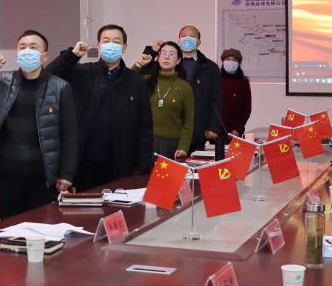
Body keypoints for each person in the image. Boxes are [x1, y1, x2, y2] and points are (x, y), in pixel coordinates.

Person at [0, 30, 77, 219]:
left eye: (33, 47)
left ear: (44, 56)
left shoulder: (59, 87)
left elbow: (69, 134)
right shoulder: (1, 82)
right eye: (22, 47)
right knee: (9, 226)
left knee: (41, 226)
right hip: (8, 174)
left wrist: (66, 173)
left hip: (43, 176)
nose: (27, 51)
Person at [45, 24, 153, 191]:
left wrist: (142, 166)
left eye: (116, 41)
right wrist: (72, 55)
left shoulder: (136, 81)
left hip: (121, 163)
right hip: (84, 161)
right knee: (85, 205)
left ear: (124, 47)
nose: (111, 45)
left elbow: (145, 126)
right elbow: (48, 77)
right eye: (106, 41)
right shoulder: (82, 72)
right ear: (99, 45)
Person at [140, 25, 222, 152]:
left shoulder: (210, 67)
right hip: (168, 131)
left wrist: (213, 127)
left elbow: (217, 99)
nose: (187, 39)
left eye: (191, 36)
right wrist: (152, 50)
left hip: (197, 129)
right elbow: (141, 72)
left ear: (199, 42)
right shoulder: (167, 62)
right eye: (184, 36)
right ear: (178, 40)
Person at [136, 41, 194, 161]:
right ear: (158, 58)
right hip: (145, 141)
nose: (166, 57)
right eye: (163, 53)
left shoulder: (184, 87)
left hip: (171, 145)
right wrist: (140, 64)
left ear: (178, 60)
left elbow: (188, 122)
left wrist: (183, 147)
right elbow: (126, 81)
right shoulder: (146, 80)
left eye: (171, 54)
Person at [219, 48, 252, 138]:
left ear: (239, 63)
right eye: (228, 59)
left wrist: (238, 129)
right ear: (223, 62)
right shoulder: (215, 80)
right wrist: (211, 128)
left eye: (234, 60)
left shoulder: (244, 83)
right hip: (216, 132)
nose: (231, 62)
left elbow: (247, 109)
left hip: (236, 133)